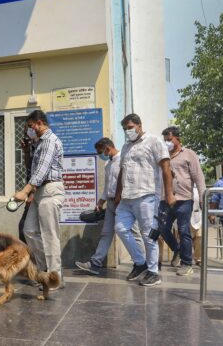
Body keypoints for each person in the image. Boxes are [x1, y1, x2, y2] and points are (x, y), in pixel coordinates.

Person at [114, 114, 175, 287]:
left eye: (130, 127)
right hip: (127, 197)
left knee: (149, 234)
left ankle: (154, 272)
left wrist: (169, 194)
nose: (128, 131)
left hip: (147, 195)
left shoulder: (154, 141)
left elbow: (166, 168)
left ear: (139, 126)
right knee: (120, 228)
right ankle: (140, 263)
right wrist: (118, 193)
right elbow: (122, 171)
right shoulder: (126, 146)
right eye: (125, 129)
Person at [75, 138, 144, 275]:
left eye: (100, 152)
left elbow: (130, 181)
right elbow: (108, 186)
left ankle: (142, 264)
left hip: (124, 202)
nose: (101, 155)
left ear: (107, 148)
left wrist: (123, 198)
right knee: (106, 233)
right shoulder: (108, 164)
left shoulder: (124, 159)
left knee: (134, 233)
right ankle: (95, 263)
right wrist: (101, 202)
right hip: (112, 203)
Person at [14, 109, 65, 289]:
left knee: (50, 236)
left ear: (39, 123)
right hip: (39, 191)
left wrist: (25, 191)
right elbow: (32, 170)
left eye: (30, 126)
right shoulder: (39, 143)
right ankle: (44, 271)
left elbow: (42, 170)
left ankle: (54, 278)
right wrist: (27, 151)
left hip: (50, 190)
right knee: (29, 230)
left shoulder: (49, 141)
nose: (29, 130)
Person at [157, 126, 207, 276]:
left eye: (169, 139)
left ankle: (186, 263)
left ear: (177, 138)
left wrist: (203, 197)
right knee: (162, 228)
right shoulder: (162, 156)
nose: (167, 143)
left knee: (183, 230)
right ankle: (177, 249)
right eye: (165, 140)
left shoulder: (189, 154)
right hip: (165, 200)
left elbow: (198, 177)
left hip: (184, 199)